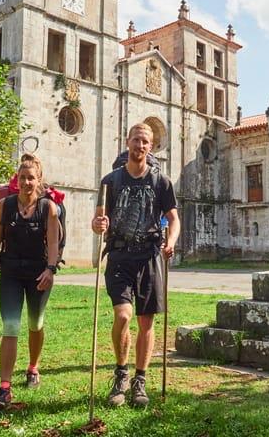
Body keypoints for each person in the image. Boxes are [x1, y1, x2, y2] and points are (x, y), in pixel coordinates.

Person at [91, 123, 180, 408]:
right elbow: (98, 220)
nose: (140, 146)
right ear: (127, 142)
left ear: (150, 147)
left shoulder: (161, 182)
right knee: (124, 316)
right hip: (119, 255)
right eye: (136, 140)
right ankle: (121, 373)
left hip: (150, 256)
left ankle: (140, 380)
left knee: (146, 322)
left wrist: (172, 240)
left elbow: (173, 218)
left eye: (145, 142)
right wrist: (98, 224)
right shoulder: (110, 181)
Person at [0, 153, 61, 410]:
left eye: (31, 178)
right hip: (11, 273)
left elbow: (54, 242)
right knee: (11, 325)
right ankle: (4, 388)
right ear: (17, 180)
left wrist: (50, 270)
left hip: (39, 274)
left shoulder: (48, 208)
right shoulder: (5, 205)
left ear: (39, 181)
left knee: (36, 323)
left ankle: (33, 367)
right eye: (22, 178)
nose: (27, 182)